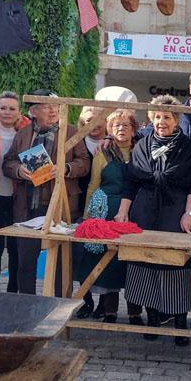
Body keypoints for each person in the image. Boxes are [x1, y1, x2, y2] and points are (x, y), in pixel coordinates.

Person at [115, 95, 191, 346]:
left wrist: (189, 213)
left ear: (176, 120)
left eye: (167, 117)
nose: (161, 121)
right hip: (144, 209)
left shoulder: (187, 147)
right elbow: (132, 181)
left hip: (174, 210)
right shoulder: (142, 145)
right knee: (145, 262)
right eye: (157, 117)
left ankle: (180, 322)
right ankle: (152, 317)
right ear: (151, 119)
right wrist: (123, 211)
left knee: (176, 263)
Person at [3, 89, 92, 296]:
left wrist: (65, 168)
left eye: (55, 105)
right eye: (46, 106)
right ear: (33, 111)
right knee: (25, 262)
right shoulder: (24, 133)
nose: (53, 110)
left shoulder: (70, 132)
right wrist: (19, 170)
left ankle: (59, 304)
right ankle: (27, 303)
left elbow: (84, 163)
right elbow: (8, 163)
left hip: (62, 207)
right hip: (28, 208)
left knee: (61, 261)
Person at [75, 109, 142, 324]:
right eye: (116, 126)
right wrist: (88, 217)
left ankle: (135, 312)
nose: (121, 129)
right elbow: (94, 184)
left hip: (134, 212)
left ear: (133, 130)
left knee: (132, 262)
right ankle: (110, 311)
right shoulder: (102, 154)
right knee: (109, 263)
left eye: (125, 125)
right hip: (105, 212)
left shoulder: (141, 151)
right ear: (110, 130)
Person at [0, 91, 30, 293]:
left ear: (19, 112)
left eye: (11, 108)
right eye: (3, 108)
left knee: (15, 250)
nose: (7, 112)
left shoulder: (28, 134)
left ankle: (12, 292)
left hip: (17, 198)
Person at [75, 105, 110, 319]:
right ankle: (85, 299)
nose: (93, 125)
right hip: (80, 205)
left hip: (107, 208)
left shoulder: (113, 144)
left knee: (105, 256)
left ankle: (104, 304)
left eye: (97, 120)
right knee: (81, 257)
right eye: (88, 120)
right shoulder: (76, 143)